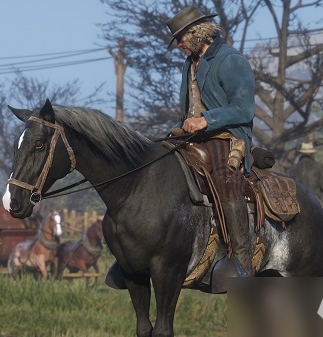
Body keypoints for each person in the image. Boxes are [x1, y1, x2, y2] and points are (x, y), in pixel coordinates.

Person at [105, 5, 256, 288]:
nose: (179, 46)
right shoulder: (191, 63)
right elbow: (191, 107)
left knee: (226, 179)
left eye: (181, 39)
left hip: (226, 137)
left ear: (197, 33)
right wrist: (184, 126)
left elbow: (244, 109)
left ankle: (241, 260)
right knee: (152, 165)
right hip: (193, 136)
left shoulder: (231, 60)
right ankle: (133, 254)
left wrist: (206, 121)